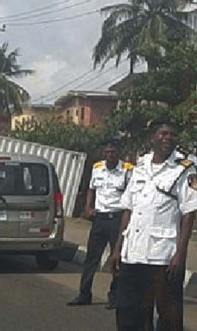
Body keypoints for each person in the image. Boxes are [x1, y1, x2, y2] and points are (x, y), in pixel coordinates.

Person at [113, 116, 197, 331]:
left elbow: (189, 212)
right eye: (163, 133)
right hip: (133, 253)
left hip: (163, 255)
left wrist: (180, 253)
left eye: (172, 134)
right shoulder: (139, 167)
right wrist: (117, 249)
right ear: (153, 137)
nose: (168, 138)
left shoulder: (184, 170)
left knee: (168, 316)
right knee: (129, 312)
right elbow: (128, 210)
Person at [68, 139, 133, 309]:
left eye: (112, 152)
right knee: (91, 258)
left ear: (118, 152)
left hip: (118, 218)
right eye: (107, 152)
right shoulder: (97, 168)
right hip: (100, 218)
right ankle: (84, 294)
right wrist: (88, 207)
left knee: (116, 258)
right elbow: (92, 189)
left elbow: (131, 195)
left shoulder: (127, 170)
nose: (109, 155)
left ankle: (114, 297)